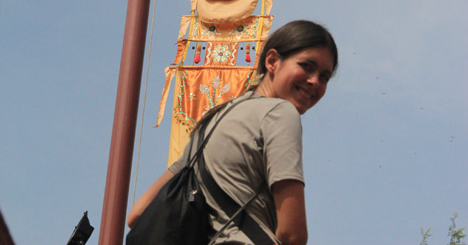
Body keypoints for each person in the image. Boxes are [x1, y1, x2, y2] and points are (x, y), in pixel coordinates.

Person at [128, 20, 338, 245]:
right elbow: (292, 234)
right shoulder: (280, 113)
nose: (314, 81)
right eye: (306, 66)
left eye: (324, 77)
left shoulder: (211, 122)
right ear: (272, 61)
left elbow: (138, 214)